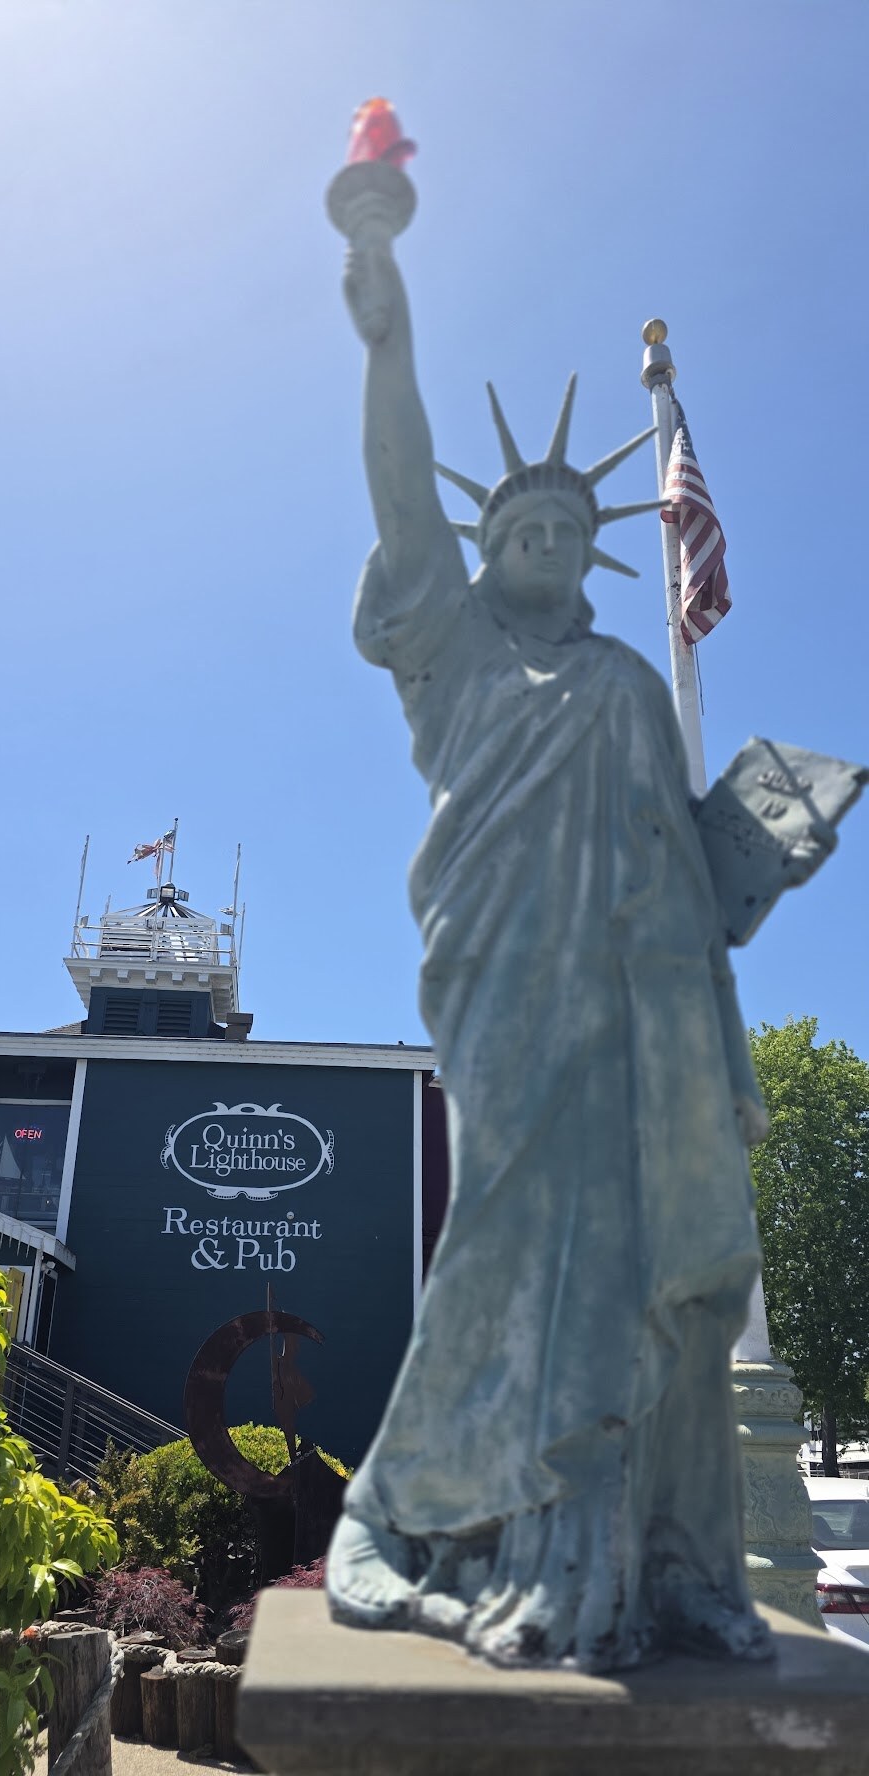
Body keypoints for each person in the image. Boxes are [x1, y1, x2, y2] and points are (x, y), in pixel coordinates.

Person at [325, 210, 773, 1671]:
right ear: (487, 552)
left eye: (563, 529)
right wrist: (388, 337)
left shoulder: (636, 690)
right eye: (513, 527)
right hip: (511, 991)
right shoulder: (453, 657)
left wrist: (755, 862)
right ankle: (397, 1517)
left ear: (594, 554)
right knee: (502, 1254)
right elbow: (403, 499)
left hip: (651, 1018)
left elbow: (690, 873)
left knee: (675, 1282)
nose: (536, 538)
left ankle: (680, 1561)